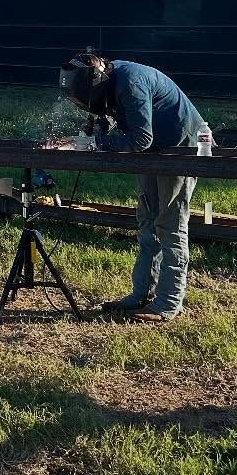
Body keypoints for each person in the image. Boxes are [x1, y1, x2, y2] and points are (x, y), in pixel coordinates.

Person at [59, 53, 207, 322]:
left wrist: (100, 144)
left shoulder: (131, 82)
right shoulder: (110, 79)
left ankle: (167, 304)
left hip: (180, 147)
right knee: (147, 221)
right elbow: (123, 113)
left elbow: (140, 137)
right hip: (154, 150)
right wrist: (103, 124)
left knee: (169, 225)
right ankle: (141, 294)